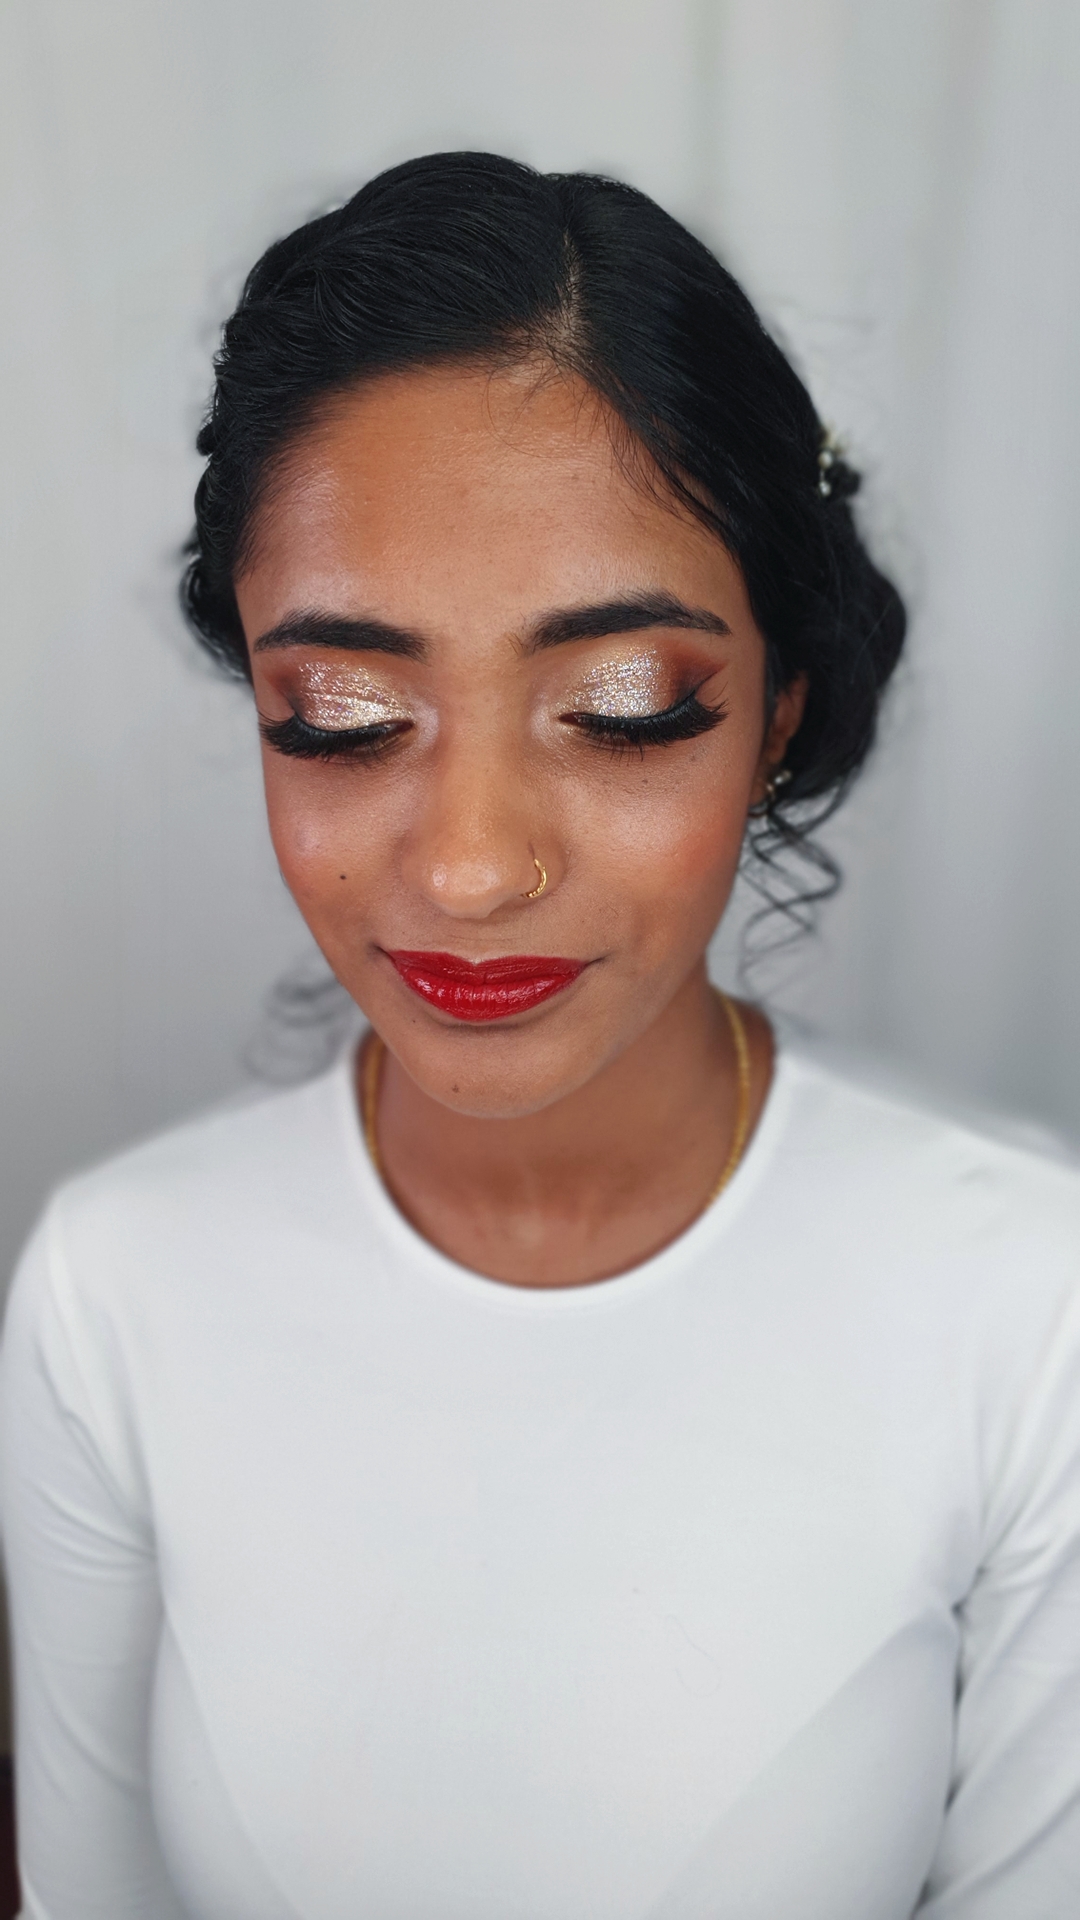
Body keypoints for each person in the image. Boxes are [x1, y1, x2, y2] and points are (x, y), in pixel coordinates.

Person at [3, 152, 1079, 1920]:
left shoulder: (1031, 1312)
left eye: (624, 707)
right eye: (345, 712)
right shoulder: (112, 1292)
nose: (471, 866)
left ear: (778, 715)